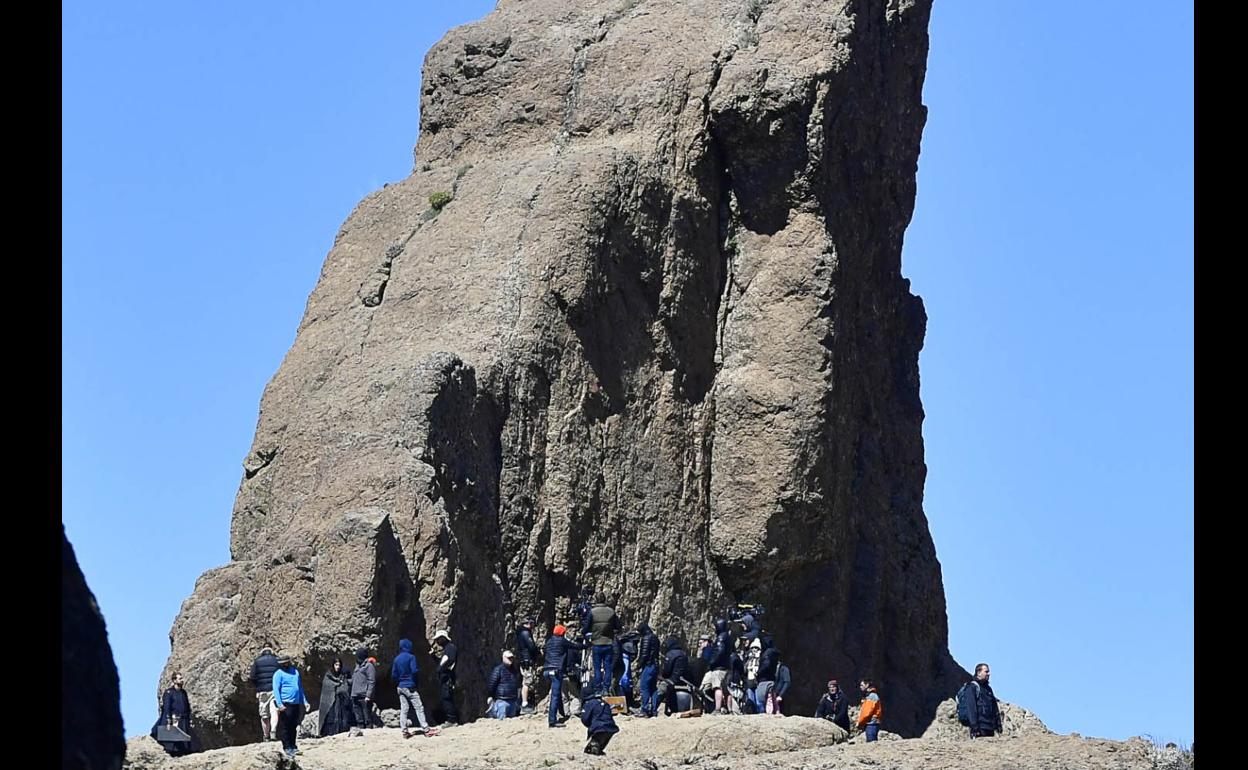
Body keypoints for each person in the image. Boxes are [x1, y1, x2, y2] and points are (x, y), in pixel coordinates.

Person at [392, 638, 437, 738]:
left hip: (400, 686)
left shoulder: (396, 659)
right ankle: (426, 729)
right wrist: (415, 683)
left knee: (404, 709)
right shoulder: (411, 657)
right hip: (410, 686)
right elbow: (414, 671)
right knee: (419, 707)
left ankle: (404, 731)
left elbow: (394, 675)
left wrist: (400, 681)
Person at [542, 624, 584, 727]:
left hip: (546, 670)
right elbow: (575, 646)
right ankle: (552, 721)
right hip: (556, 671)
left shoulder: (549, 642)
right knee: (555, 696)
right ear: (562, 633)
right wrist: (586, 645)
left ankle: (562, 713)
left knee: (559, 694)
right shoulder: (562, 641)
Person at [150, 671, 195, 756]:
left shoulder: (183, 693)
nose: (182, 680)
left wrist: (189, 718)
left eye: (182, 678)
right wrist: (168, 720)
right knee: (172, 742)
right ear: (174, 680)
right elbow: (167, 707)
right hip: (174, 719)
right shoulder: (169, 692)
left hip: (183, 720)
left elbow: (187, 706)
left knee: (186, 742)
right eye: (180, 678)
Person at [272, 654, 306, 759]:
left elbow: (300, 688)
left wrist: (304, 701)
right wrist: (280, 704)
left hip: (296, 703)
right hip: (285, 704)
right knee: (286, 727)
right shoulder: (278, 674)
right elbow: (276, 690)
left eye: (287, 662)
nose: (285, 664)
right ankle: (287, 747)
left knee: (294, 726)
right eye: (283, 663)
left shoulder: (295, 672)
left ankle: (293, 746)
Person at [588, 593, 621, 693]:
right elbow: (618, 626)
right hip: (608, 643)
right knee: (607, 667)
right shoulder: (611, 612)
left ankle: (598, 689)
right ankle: (606, 688)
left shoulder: (592, 612)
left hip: (596, 643)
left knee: (597, 668)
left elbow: (586, 626)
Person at [248, 647, 280, 741]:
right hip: (275, 690)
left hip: (262, 691)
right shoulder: (276, 660)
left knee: (264, 714)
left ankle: (266, 736)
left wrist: (257, 686)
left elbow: (252, 677)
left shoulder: (257, 662)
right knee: (274, 712)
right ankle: (273, 731)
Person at [702, 619, 733, 714]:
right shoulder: (728, 637)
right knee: (726, 689)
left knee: (717, 687)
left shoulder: (721, 638)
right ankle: (730, 709)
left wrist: (711, 663)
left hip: (719, 668)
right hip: (727, 667)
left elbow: (719, 652)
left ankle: (718, 709)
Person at [579, 685, 620, 755]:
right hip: (611, 727)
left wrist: (590, 725)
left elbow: (584, 719)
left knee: (593, 746)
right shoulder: (603, 702)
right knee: (601, 743)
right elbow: (609, 714)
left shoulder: (588, 703)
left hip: (599, 728)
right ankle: (599, 751)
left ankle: (595, 752)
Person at [318, 658, 353, 737]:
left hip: (341, 701)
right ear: (333, 665)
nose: (338, 667)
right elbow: (327, 689)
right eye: (336, 665)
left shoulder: (343, 675)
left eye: (339, 665)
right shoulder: (328, 676)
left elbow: (346, 687)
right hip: (331, 702)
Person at [965, 663, 1002, 738]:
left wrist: (998, 726)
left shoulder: (988, 689)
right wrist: (974, 728)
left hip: (990, 728)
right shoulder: (972, 687)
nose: (989, 674)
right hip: (980, 728)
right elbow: (971, 709)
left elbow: (995, 708)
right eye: (986, 671)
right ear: (978, 673)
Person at [432, 629, 460, 726]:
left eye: (438, 639)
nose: (437, 642)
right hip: (445, 677)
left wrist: (441, 669)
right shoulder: (447, 649)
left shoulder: (450, 648)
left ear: (443, 638)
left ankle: (451, 720)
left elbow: (450, 660)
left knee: (447, 698)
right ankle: (451, 719)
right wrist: (434, 658)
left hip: (448, 678)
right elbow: (443, 661)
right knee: (445, 698)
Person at [656, 635, 689, 716]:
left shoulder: (671, 654)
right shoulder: (683, 653)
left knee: (660, 691)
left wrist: (662, 676)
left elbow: (666, 671)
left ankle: (651, 708)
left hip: (672, 679)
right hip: (682, 679)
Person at [634, 621, 660, 717]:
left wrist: (638, 665)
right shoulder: (655, 637)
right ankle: (654, 710)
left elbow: (644, 654)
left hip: (649, 666)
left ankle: (644, 710)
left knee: (644, 687)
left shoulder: (646, 638)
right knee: (653, 688)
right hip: (655, 665)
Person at [486, 650, 521, 719]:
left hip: (513, 702)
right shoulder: (498, 670)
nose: (510, 660)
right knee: (502, 722)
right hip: (502, 702)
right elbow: (491, 684)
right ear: (503, 658)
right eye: (508, 658)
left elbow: (517, 684)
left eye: (512, 658)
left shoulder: (514, 670)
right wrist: (490, 696)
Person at [515, 618, 541, 714]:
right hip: (527, 660)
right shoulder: (525, 633)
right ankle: (524, 704)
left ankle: (523, 702)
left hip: (523, 659)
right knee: (527, 682)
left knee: (525, 681)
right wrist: (537, 652)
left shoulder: (520, 632)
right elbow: (531, 646)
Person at [349, 647, 376, 737]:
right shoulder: (357, 666)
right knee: (358, 717)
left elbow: (371, 681)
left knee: (367, 717)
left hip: (364, 696)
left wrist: (368, 695)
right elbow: (354, 679)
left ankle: (368, 733)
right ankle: (359, 732)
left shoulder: (369, 666)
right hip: (355, 695)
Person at [754, 643, 780, 714]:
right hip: (772, 679)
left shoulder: (767, 653)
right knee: (771, 698)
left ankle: (767, 714)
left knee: (761, 700)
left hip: (764, 680)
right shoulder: (774, 654)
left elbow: (766, 664)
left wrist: (758, 673)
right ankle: (775, 712)